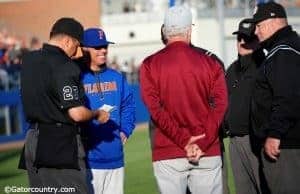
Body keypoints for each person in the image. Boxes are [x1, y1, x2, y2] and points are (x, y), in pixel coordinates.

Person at [140, 5, 228, 194]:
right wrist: (201, 143)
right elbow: (220, 106)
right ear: (189, 30)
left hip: (169, 150)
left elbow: (155, 110)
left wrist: (184, 141)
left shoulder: (149, 65)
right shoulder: (211, 63)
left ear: (165, 30)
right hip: (207, 150)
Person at [19, 17, 110, 194]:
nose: (78, 51)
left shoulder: (28, 60)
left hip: (32, 140)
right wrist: (97, 113)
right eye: (77, 45)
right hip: (59, 143)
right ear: (67, 40)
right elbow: (76, 113)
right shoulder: (65, 66)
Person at [249, 2, 300, 194]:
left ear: (273, 22)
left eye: (259, 25)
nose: (256, 32)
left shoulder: (283, 51)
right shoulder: (289, 46)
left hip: (286, 146)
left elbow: (287, 96)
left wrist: (275, 134)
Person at [79, 28, 135, 194]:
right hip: (89, 160)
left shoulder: (116, 77)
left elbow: (128, 106)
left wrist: (125, 130)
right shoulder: (77, 78)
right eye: (97, 47)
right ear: (85, 49)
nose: (103, 50)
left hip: (115, 159)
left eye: (104, 46)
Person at [225, 18, 266, 194]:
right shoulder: (232, 69)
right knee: (243, 190)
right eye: (239, 38)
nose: (242, 42)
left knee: (265, 188)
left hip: (256, 141)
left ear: (257, 40)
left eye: (247, 38)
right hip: (234, 140)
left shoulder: (264, 66)